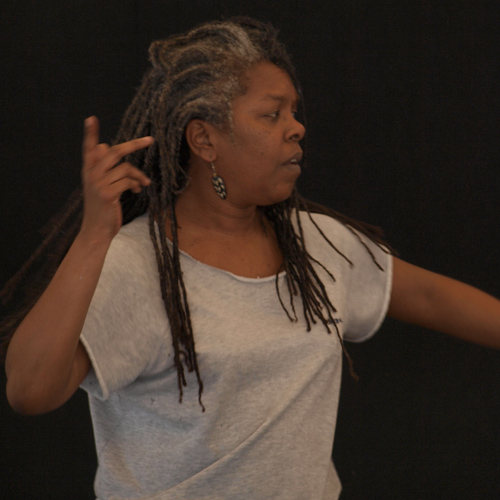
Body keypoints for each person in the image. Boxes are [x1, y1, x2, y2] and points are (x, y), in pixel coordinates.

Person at [2, 17, 500, 500]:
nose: (296, 127)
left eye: (294, 112)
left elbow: (430, 297)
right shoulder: (137, 264)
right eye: (272, 114)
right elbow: (29, 390)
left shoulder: (316, 243)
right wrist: (93, 239)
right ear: (205, 140)